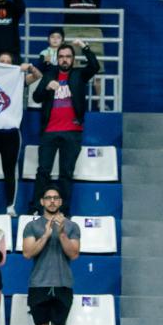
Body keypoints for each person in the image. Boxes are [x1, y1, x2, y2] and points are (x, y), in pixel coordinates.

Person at [31, 40, 99, 214]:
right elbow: (37, 97)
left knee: (66, 174)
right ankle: (36, 209)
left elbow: (94, 66)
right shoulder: (49, 74)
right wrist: (46, 87)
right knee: (43, 172)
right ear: (57, 58)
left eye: (68, 57)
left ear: (73, 59)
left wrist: (84, 47)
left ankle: (64, 211)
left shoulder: (79, 74)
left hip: (72, 131)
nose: (64, 60)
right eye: (61, 57)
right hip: (49, 131)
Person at [24, 186, 80, 325]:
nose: (52, 201)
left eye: (56, 198)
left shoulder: (72, 226)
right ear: (42, 202)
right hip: (39, 284)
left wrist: (62, 233)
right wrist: (46, 235)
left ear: (61, 201)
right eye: (48, 198)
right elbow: (28, 252)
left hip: (63, 284)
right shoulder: (32, 226)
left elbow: (73, 253)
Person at [0, 52, 39, 213]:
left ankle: (10, 207)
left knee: (9, 171)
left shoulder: (18, 80)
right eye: (1, 61)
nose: (5, 63)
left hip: (10, 134)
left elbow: (37, 76)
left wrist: (30, 67)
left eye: (8, 61)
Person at [50, 0, 115, 97]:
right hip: (71, 28)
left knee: (98, 66)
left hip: (93, 28)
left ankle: (100, 102)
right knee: (71, 66)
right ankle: (71, 99)